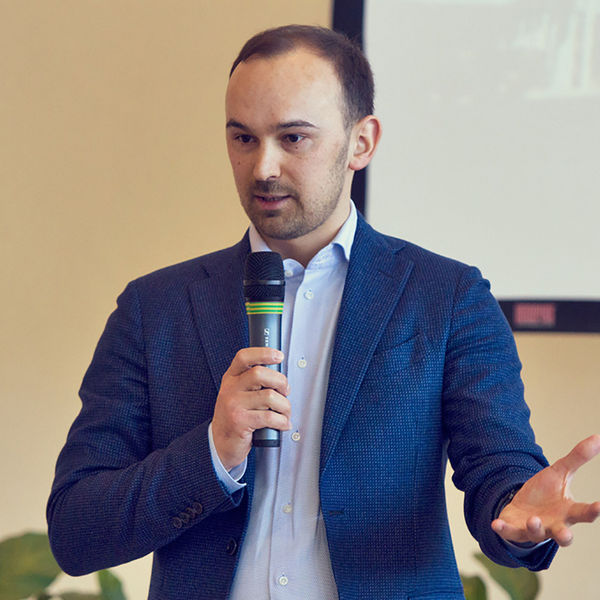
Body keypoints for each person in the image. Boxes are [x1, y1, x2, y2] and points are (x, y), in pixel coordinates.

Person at [47, 25, 600, 600]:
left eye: (293, 138)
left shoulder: (448, 297)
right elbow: (75, 530)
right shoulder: (155, 309)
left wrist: (520, 513)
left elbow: (500, 474)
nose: (263, 167)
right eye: (243, 138)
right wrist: (213, 451)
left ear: (361, 142)